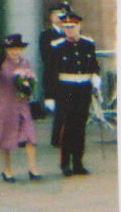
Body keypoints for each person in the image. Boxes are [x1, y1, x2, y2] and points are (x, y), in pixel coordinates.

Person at [46, 11, 100, 176]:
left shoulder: (88, 44)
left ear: (79, 26)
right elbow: (50, 73)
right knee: (68, 127)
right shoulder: (57, 46)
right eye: (67, 27)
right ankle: (65, 163)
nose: (70, 30)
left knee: (80, 126)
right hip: (65, 89)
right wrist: (49, 96)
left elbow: (94, 64)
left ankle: (78, 162)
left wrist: (96, 76)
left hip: (83, 88)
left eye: (73, 26)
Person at [0, 34, 41, 183]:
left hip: (22, 105)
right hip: (5, 105)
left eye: (17, 48)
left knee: (30, 135)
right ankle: (7, 170)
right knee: (6, 138)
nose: (14, 52)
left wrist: (29, 87)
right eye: (11, 49)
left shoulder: (25, 63)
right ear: (6, 50)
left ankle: (33, 169)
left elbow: (30, 80)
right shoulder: (2, 63)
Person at [40, 1, 70, 147]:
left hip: (69, 76)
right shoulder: (46, 35)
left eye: (62, 15)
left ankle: (68, 136)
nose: (59, 18)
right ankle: (57, 138)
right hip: (54, 76)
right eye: (56, 15)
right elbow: (46, 57)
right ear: (51, 17)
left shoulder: (70, 32)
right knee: (59, 110)